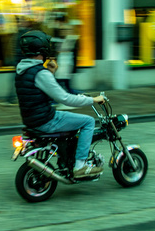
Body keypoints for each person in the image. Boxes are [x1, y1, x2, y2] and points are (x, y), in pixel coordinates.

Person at [15, 30, 105, 178]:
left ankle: (68, 158)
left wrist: (50, 72)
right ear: (41, 48)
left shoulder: (22, 70)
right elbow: (65, 98)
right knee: (88, 122)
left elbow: (37, 91)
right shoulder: (40, 73)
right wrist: (92, 100)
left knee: (69, 119)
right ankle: (80, 166)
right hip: (46, 120)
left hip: (32, 119)